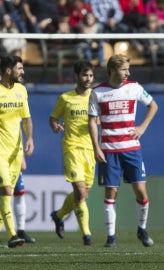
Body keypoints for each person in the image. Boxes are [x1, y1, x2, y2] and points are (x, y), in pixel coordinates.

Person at [88, 54, 158, 248]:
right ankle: (111, 237)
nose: (128, 73)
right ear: (112, 70)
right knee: (111, 192)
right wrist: (96, 147)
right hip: (109, 150)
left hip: (131, 149)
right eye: (124, 69)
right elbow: (92, 121)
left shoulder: (134, 88)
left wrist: (142, 128)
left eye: (128, 69)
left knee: (141, 191)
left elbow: (153, 105)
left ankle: (142, 230)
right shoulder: (98, 92)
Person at [49, 60, 95, 246]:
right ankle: (87, 235)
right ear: (76, 76)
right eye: (85, 75)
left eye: (91, 75)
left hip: (91, 150)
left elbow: (101, 120)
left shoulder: (96, 96)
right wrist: (55, 126)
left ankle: (58, 215)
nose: (88, 79)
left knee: (83, 196)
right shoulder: (65, 98)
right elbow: (53, 118)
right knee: (80, 190)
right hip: (72, 148)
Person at [0, 55, 34, 248]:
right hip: (0, 153)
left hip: (15, 152)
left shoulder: (21, 90)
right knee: (6, 190)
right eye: (19, 69)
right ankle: (13, 235)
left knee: (6, 195)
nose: (23, 72)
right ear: (8, 70)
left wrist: (30, 138)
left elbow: (26, 118)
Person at [13, 144, 36, 244]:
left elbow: (17, 132)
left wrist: (21, 156)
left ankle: (21, 231)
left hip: (13, 156)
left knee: (19, 193)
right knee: (4, 194)